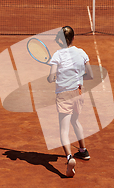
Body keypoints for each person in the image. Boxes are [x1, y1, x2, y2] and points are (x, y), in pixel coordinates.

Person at [47, 26, 94, 177]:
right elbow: (90, 75)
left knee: (63, 130)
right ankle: (83, 151)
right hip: (78, 92)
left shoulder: (57, 55)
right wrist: (77, 78)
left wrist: (51, 77)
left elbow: (51, 78)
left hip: (64, 95)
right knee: (76, 121)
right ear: (73, 38)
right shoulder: (81, 52)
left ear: (59, 40)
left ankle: (69, 158)